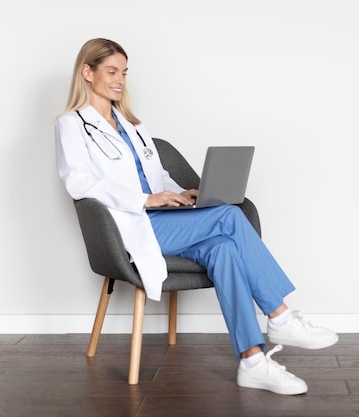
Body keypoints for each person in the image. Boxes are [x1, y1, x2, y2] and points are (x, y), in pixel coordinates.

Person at [55, 38, 338, 395]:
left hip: (165, 219)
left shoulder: (133, 126)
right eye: (111, 71)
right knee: (229, 218)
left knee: (224, 249)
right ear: (87, 71)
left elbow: (156, 177)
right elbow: (78, 181)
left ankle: (252, 361)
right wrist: (146, 199)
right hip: (130, 225)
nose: (119, 80)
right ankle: (280, 316)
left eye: (124, 72)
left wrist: (183, 193)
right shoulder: (71, 125)